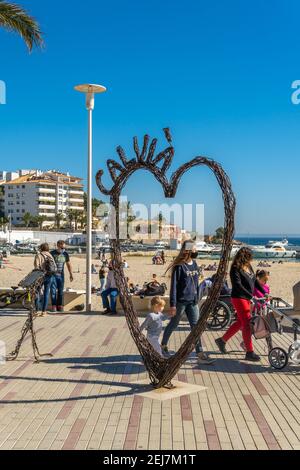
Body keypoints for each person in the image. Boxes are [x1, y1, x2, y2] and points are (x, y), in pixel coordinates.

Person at [161, 240, 215, 365]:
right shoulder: (179, 266)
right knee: (174, 324)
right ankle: (163, 345)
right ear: (189, 250)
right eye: (195, 249)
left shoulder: (195, 264)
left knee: (196, 328)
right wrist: (173, 305)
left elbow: (196, 284)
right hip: (181, 302)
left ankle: (200, 354)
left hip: (193, 302)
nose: (197, 251)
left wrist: (197, 297)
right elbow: (174, 286)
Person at [215, 247, 265, 362]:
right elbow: (237, 285)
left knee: (240, 322)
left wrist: (264, 293)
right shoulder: (235, 268)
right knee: (247, 324)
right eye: (250, 256)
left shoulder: (249, 266)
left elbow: (255, 281)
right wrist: (251, 295)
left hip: (247, 298)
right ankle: (249, 352)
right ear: (245, 256)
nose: (251, 259)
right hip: (239, 298)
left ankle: (222, 341)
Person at [34, 243, 57, 316]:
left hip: (40, 276)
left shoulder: (39, 255)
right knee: (46, 293)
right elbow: (54, 266)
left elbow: (36, 266)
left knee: (36, 292)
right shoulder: (50, 255)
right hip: (49, 276)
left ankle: (37, 311)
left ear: (41, 248)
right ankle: (44, 312)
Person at [50, 240, 73, 313]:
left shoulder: (65, 254)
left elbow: (68, 264)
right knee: (53, 291)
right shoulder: (52, 253)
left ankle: (59, 305)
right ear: (58, 246)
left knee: (60, 291)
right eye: (62, 247)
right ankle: (54, 305)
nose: (63, 249)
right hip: (53, 275)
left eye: (64, 248)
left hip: (61, 275)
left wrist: (71, 274)